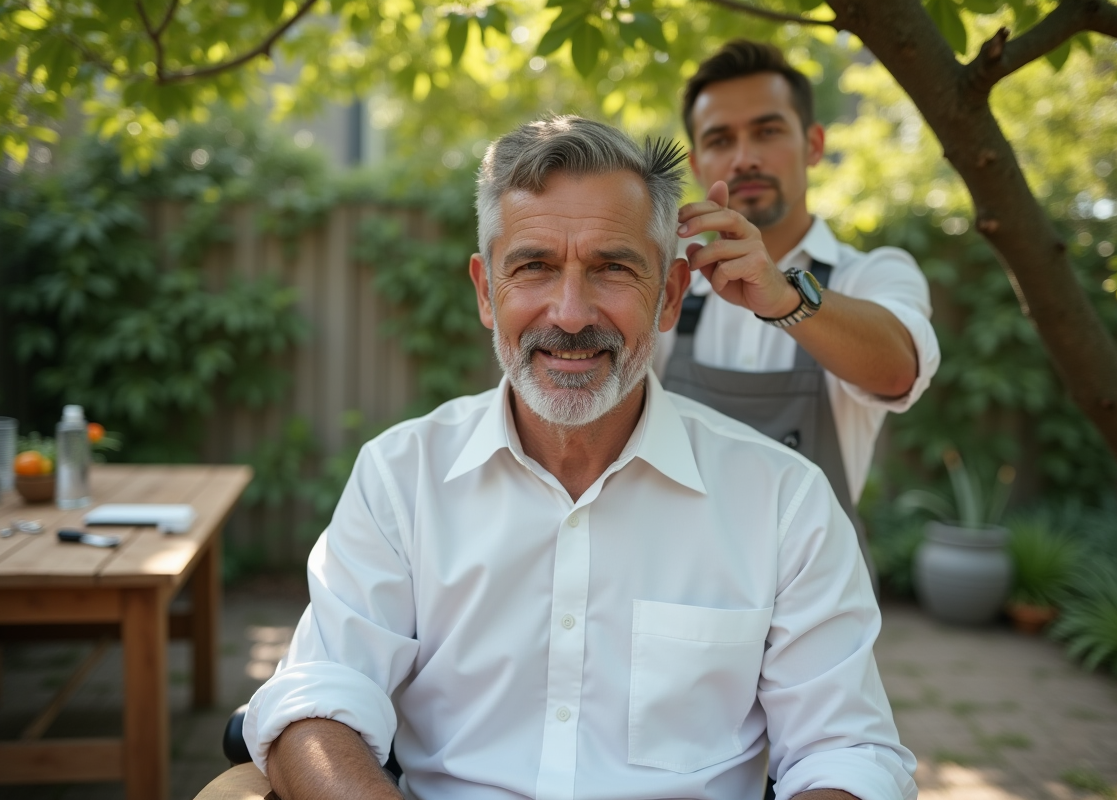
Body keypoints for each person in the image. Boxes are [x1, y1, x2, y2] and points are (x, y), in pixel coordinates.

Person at [243, 116, 918, 800]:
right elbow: (319, 699)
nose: (569, 313)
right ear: (484, 291)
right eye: (533, 266)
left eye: (612, 268)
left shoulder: (782, 501)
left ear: (671, 295)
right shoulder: (400, 476)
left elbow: (845, 752)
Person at [657, 40, 941, 573]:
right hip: (675, 587)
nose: (745, 157)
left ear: (813, 144)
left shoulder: (874, 272)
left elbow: (900, 366)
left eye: (767, 131)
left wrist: (786, 295)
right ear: (698, 163)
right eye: (721, 139)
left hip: (817, 607)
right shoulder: (668, 283)